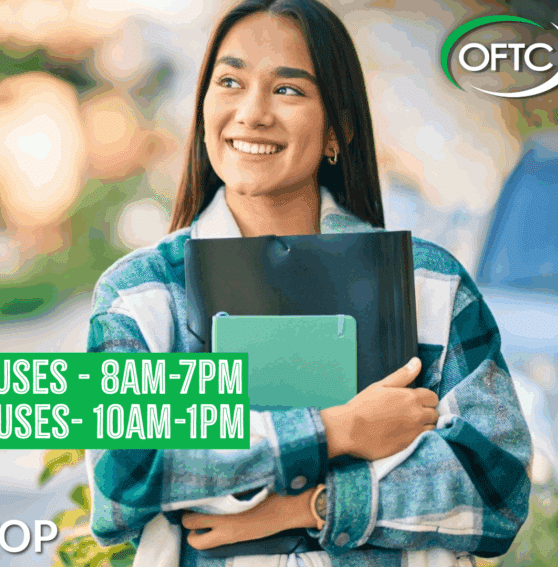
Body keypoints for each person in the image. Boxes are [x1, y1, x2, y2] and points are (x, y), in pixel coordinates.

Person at [84, 0, 533, 566]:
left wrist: (310, 507)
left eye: (288, 89)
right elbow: (125, 475)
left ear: (337, 129)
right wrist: (336, 430)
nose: (252, 112)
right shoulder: (143, 295)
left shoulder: (428, 285)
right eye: (230, 82)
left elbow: (497, 488)